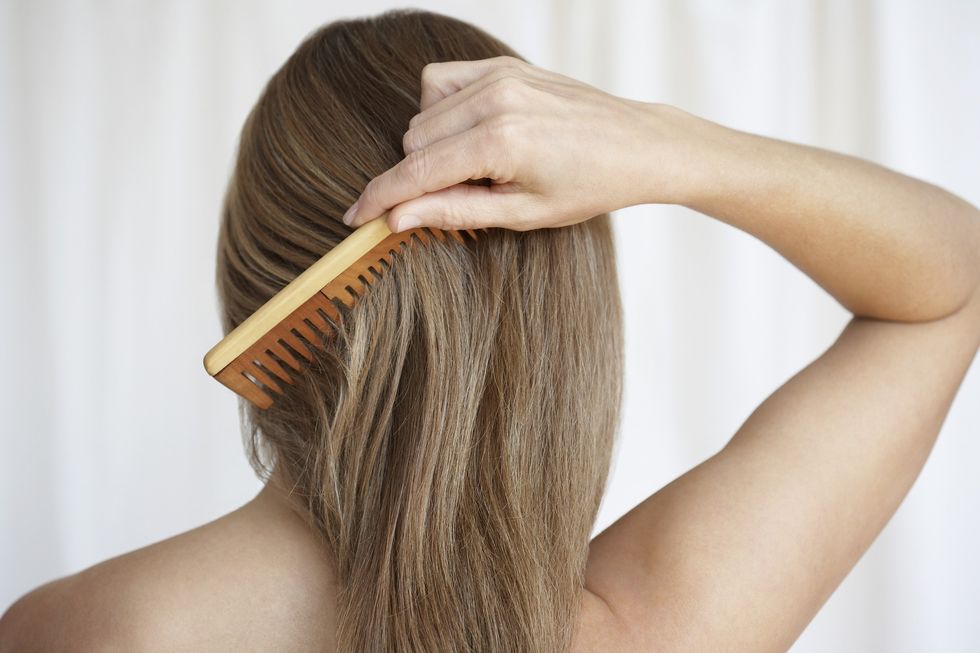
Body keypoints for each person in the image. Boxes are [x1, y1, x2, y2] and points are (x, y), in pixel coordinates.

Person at [2, 8, 979, 652]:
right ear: (568, 309)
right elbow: (952, 279)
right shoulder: (650, 626)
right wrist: (666, 147)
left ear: (251, 288)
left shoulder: (79, 631)